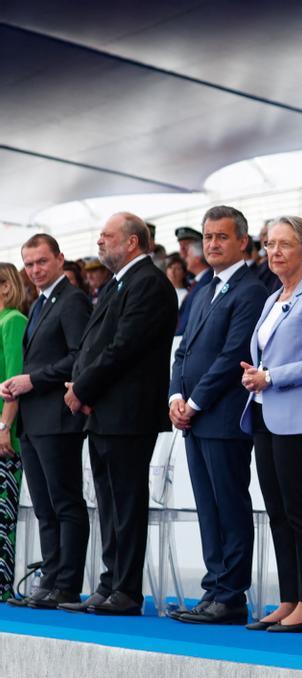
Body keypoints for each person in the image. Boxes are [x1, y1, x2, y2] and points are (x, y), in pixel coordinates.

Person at [60, 212, 177, 615]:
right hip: (104, 410)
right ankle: (109, 584)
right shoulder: (119, 282)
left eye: (107, 236)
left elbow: (124, 348)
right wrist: (81, 388)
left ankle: (125, 591)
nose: (99, 242)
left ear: (131, 242)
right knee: (108, 505)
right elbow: (95, 344)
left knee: (126, 505)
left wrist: (84, 388)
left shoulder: (148, 283)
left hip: (128, 413)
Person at [168, 206, 269, 625]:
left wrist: (194, 403)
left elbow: (232, 357)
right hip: (194, 416)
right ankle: (214, 588)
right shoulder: (201, 289)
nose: (212, 244)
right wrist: (175, 393)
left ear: (242, 241)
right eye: (208, 237)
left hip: (223, 416)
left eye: (221, 237)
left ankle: (230, 595)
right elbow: (182, 349)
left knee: (229, 505)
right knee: (207, 507)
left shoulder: (250, 289)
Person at [239, 216, 302, 633]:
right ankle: (290, 597)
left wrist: (270, 376)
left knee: (299, 509)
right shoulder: (273, 297)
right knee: (277, 509)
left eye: (284, 244)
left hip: (299, 416)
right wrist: (256, 376)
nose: (274, 252)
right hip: (264, 410)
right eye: (269, 244)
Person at [2, 234, 90, 609]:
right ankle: (50, 580)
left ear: (59, 259)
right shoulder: (41, 303)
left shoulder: (72, 301)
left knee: (65, 502)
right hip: (35, 420)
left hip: (58, 417)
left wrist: (32, 380)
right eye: (30, 264)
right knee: (44, 507)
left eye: (42, 261)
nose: (36, 270)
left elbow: (78, 357)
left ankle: (66, 584)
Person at [0, 263, 27, 599]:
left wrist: (5, 426)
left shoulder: (14, 322)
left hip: (6, 435)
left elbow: (14, 380)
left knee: (1, 516)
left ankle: (2, 585)